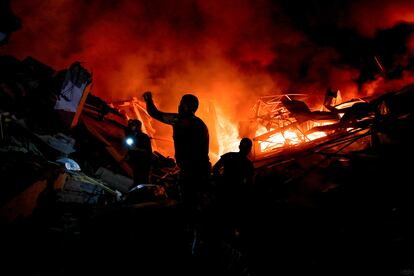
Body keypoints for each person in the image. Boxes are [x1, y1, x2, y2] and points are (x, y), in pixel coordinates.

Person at [142, 91, 211, 253]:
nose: (179, 105)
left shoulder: (181, 120)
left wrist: (149, 99)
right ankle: (199, 238)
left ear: (186, 106)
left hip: (192, 171)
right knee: (197, 204)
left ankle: (190, 243)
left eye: (181, 103)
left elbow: (155, 114)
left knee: (189, 205)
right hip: (202, 170)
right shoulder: (201, 125)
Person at [212, 137, 254, 241]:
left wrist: (220, 181)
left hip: (223, 192)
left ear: (239, 146)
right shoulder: (248, 165)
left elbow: (214, 169)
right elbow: (249, 183)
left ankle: (220, 238)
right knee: (233, 219)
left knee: (222, 217)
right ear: (249, 150)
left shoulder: (228, 156)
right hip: (237, 195)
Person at [123, 119, 153, 184]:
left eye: (133, 125)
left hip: (143, 162)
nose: (132, 127)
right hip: (135, 160)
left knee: (143, 179)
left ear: (138, 126)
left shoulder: (144, 137)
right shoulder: (131, 135)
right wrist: (126, 157)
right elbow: (130, 148)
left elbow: (148, 151)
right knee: (135, 177)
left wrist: (136, 149)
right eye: (131, 125)